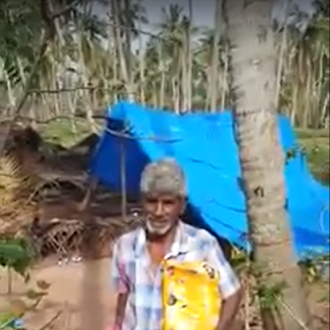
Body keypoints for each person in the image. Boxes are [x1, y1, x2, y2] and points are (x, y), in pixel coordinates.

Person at [109, 158, 243, 330]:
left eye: (168, 203)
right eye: (151, 201)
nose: (158, 212)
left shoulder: (202, 244)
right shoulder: (125, 245)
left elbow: (232, 293)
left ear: (182, 206)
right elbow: (123, 296)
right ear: (142, 202)